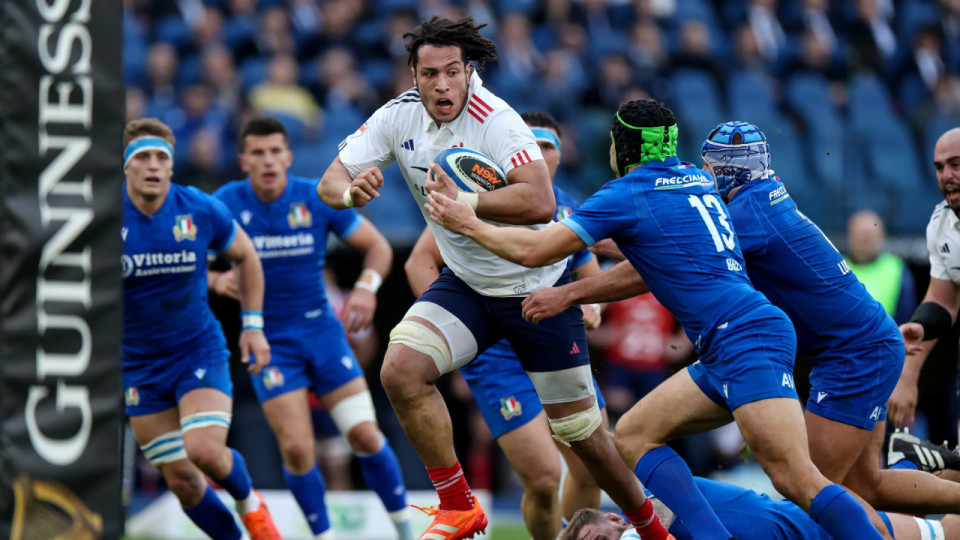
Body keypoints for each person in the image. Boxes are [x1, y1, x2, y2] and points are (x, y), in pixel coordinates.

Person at [425, 100, 888, 540]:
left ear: (620, 147)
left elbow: (533, 252)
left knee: (795, 478)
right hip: (737, 337)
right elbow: (648, 260)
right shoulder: (695, 180)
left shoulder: (626, 192)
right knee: (632, 434)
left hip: (744, 339)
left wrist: (467, 218)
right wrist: (570, 288)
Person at [317, 17, 671, 540]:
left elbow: (540, 200)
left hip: (537, 292)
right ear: (413, 76)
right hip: (468, 287)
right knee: (401, 370)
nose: (441, 84)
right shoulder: (397, 117)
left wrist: (467, 204)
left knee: (585, 439)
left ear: (469, 72)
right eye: (429, 73)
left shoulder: (498, 121)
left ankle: (650, 527)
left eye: (452, 72)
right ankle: (459, 505)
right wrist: (352, 193)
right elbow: (330, 180)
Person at [523, 120, 960, 517]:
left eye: (713, 168)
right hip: (860, 346)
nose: (707, 177)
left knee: (812, 493)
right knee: (867, 487)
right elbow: (669, 254)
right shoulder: (759, 202)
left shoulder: (747, 214)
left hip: (853, 355)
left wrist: (576, 264)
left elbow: (664, 260)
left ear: (730, 170)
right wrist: (592, 238)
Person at [405, 111, 607, 540]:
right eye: (534, 145)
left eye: (549, 146)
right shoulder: (481, 189)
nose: (542, 153)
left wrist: (590, 306)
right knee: (544, 475)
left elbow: (589, 276)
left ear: (559, 154)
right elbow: (419, 260)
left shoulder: (569, 207)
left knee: (593, 469)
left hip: (554, 342)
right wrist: (450, 333)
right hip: (498, 356)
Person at [210, 116, 414, 540]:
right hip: (269, 343)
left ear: (288, 156)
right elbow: (185, 260)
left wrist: (366, 288)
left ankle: (405, 531)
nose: (268, 161)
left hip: (322, 334)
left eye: (275, 152)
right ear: (243, 160)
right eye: (258, 153)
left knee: (364, 435)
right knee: (299, 450)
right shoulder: (225, 203)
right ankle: (324, 536)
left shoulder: (313, 196)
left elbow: (377, 247)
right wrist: (214, 280)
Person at [121, 118, 280, 540]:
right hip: (137, 367)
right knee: (182, 480)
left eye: (161, 157)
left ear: (172, 167)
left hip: (197, 352)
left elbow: (246, 256)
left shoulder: (199, 208)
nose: (153, 165)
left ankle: (252, 506)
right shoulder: (102, 219)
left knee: (204, 451)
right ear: (126, 168)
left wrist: (253, 326)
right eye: (142, 157)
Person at [560, 478, 959, 540]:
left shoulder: (656, 496)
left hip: (815, 525)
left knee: (943, 534)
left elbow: (660, 514)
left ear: (614, 518)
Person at [889, 128, 960, 447]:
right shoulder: (941, 224)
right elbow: (944, 301)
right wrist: (908, 375)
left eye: (956, 164)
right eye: (939, 167)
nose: (947, 175)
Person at [845, 209, 917, 325]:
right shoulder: (838, 267)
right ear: (850, 236)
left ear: (882, 236)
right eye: (861, 234)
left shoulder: (896, 268)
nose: (865, 240)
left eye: (870, 235)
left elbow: (906, 315)